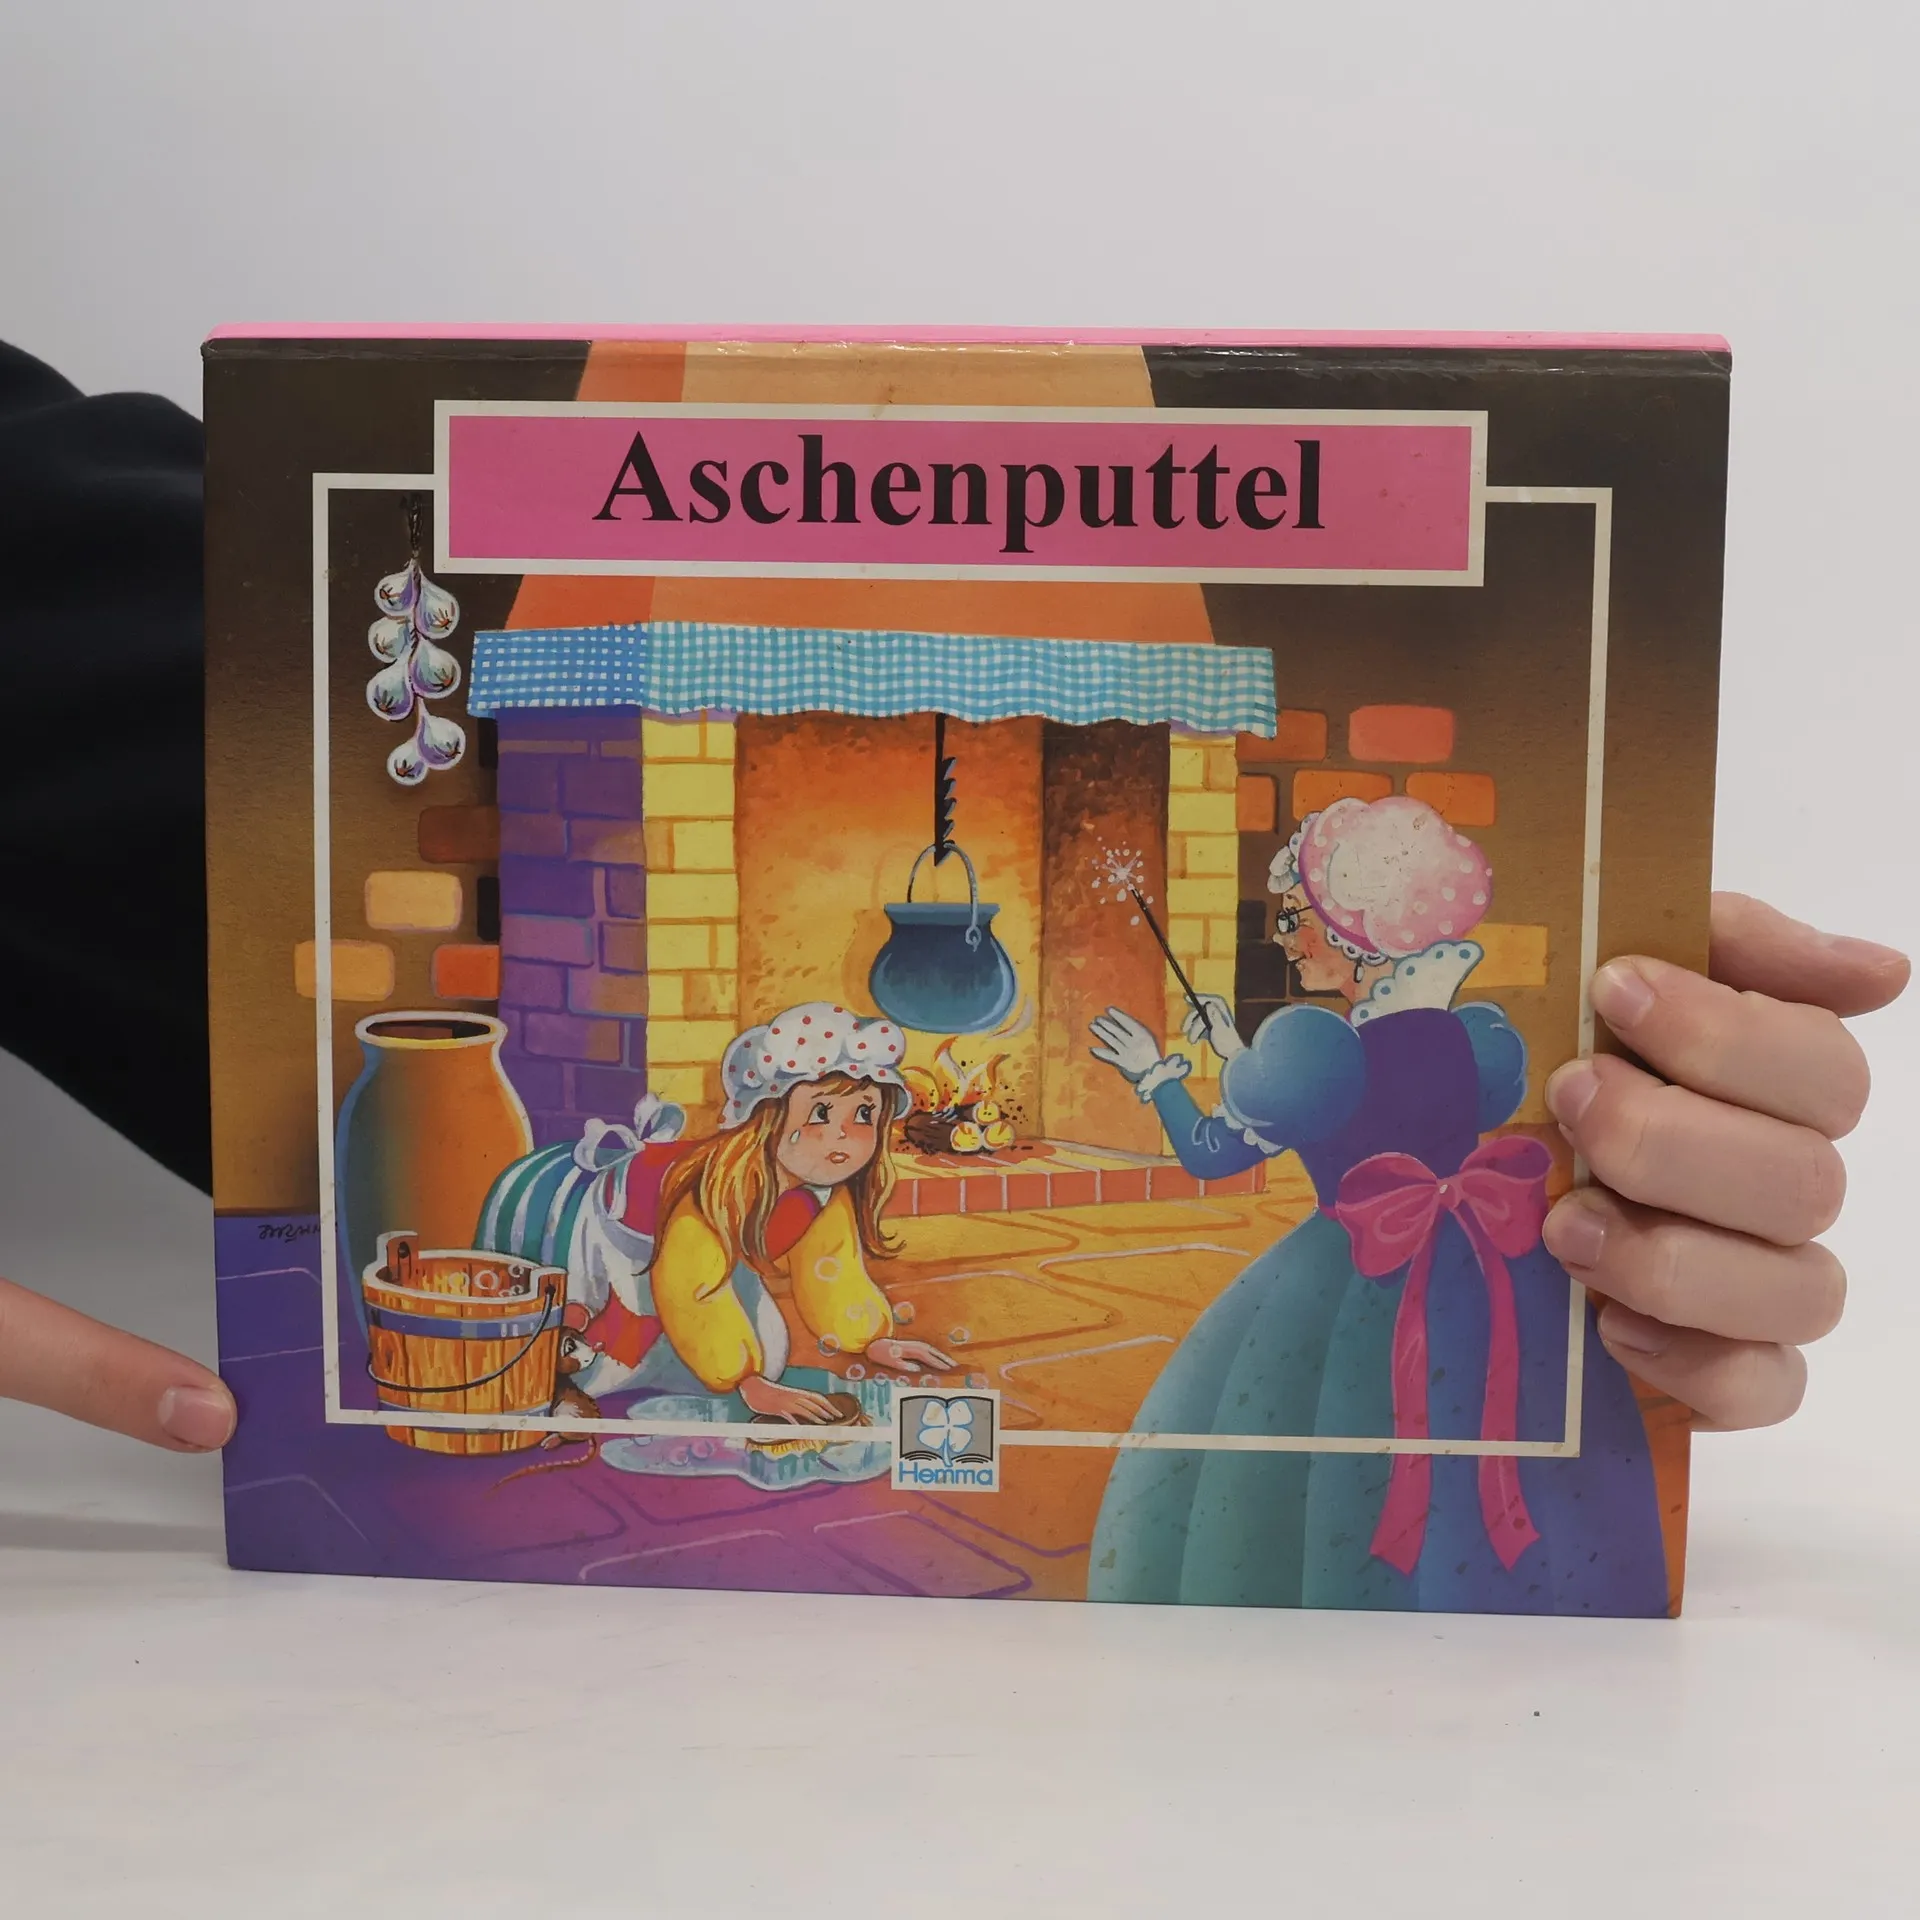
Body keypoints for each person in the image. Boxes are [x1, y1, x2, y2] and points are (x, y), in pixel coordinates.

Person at [0, 343, 1909, 1473]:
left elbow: (1149, 1165)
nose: (855, 1136)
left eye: (864, 1114)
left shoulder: (1349, 1054)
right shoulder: (725, 1179)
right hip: (665, 1298)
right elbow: (725, 1285)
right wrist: (781, 1374)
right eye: (837, 1113)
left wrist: (886, 1316)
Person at [1086, 796, 1905, 1611]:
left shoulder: (1313, 1051)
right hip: (1488, 1268)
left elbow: (1213, 1152)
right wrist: (1238, 1053)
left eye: (1296, 917)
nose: (1284, 936)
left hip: (1354, 1281)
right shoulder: (1468, 1039)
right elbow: (1366, 1099)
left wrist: (1155, 1075)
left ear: (1352, 934)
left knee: (1332, 1445)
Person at [476, 1003, 954, 1418]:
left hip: (702, 1258)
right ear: (769, 1117)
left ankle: (697, 1364)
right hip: (618, 1236)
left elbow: (833, 1269)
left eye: (865, 1113)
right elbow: (693, 1288)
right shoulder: (715, 1190)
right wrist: (744, 1381)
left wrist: (871, 1339)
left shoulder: (824, 1189)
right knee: (592, 1366)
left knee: (769, 1355)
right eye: (821, 1114)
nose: (843, 1134)